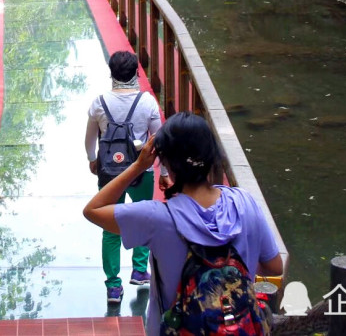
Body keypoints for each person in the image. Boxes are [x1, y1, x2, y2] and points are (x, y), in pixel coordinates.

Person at [84, 112, 284, 334]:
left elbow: (93, 210)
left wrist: (139, 165)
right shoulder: (244, 203)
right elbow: (274, 266)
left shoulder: (157, 219)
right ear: (212, 156)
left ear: (167, 162)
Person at [84, 50, 169, 304]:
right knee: (144, 216)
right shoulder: (147, 103)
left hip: (109, 173)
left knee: (109, 229)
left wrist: (92, 159)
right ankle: (140, 270)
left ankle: (112, 286)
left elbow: (90, 139)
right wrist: (163, 173)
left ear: (112, 73)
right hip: (140, 172)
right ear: (135, 73)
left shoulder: (99, 102)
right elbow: (159, 142)